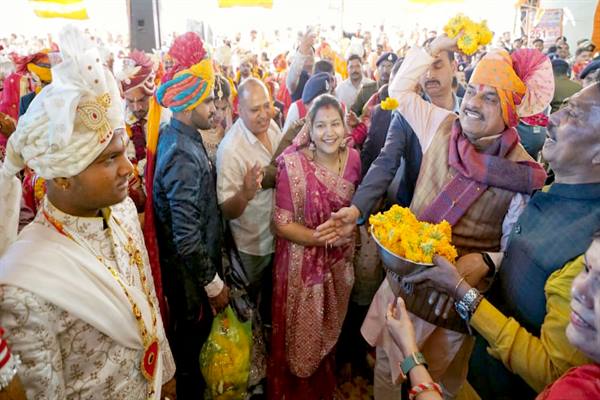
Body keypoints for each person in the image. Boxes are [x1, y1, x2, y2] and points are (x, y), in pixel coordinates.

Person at [318, 34, 552, 399]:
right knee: (387, 367)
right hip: (402, 285)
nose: (473, 103)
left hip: (451, 306)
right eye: (472, 91)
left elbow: (514, 248)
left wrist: (488, 261)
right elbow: (400, 89)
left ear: (509, 111)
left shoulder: (523, 172)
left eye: (490, 98)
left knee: (442, 383)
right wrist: (434, 46)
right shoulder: (441, 124)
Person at [0, 26, 175, 399]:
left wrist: (166, 373)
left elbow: (145, 301)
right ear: (62, 177)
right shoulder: (23, 287)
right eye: (109, 159)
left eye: (123, 152)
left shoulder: (123, 211)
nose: (128, 169)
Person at [402, 82, 600, 398]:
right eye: (562, 107)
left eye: (573, 115)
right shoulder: (551, 187)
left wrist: (461, 291)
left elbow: (554, 373)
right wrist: (489, 261)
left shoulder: (590, 244)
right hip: (476, 367)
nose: (551, 118)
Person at [385, 234, 600, 400]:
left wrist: (410, 353)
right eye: (585, 268)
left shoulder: (580, 390)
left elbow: (551, 371)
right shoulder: (584, 375)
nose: (576, 288)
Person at [152, 31, 229, 399]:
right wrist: (213, 285)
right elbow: (186, 238)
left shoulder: (181, 136)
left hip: (191, 280)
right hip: (191, 285)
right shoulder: (182, 154)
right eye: (209, 99)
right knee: (191, 362)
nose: (215, 108)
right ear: (189, 101)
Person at [269, 94, 361, 400]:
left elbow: (357, 208)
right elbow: (281, 224)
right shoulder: (293, 166)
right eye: (320, 125)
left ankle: (323, 389)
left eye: (335, 124)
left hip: (339, 262)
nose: (329, 132)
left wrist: (345, 233)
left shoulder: (354, 159)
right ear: (309, 128)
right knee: (300, 340)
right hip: (302, 266)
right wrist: (323, 237)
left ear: (345, 126)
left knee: (328, 331)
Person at [216, 77, 282, 322]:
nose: (264, 115)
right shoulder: (231, 149)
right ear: (239, 109)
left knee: (274, 302)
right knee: (250, 306)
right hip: (253, 245)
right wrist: (245, 192)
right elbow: (226, 210)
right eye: (255, 110)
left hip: (281, 235)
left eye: (267, 105)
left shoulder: (272, 126)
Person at [116, 50, 171, 213]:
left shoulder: (165, 119)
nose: (136, 107)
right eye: (130, 101)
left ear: (151, 95)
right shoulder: (119, 121)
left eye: (141, 100)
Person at [263, 72, 335, 189]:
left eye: (329, 103)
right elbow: (274, 169)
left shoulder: (338, 130)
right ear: (307, 106)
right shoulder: (296, 131)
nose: (325, 110)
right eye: (319, 104)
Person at [199, 75, 233, 163]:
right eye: (216, 107)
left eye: (224, 109)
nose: (219, 115)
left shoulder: (224, 131)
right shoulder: (197, 133)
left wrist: (229, 136)